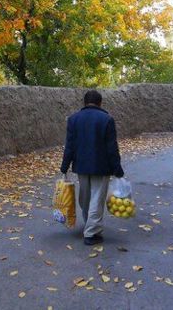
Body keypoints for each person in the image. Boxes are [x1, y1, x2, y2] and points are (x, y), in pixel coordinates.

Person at [60, 90, 124, 245]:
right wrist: (117, 168)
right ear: (100, 103)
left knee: (85, 198)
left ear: (84, 102)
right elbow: (111, 147)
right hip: (101, 167)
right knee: (97, 198)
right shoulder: (107, 119)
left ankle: (91, 226)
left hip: (81, 166)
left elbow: (70, 146)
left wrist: (64, 166)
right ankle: (90, 233)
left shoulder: (74, 119)